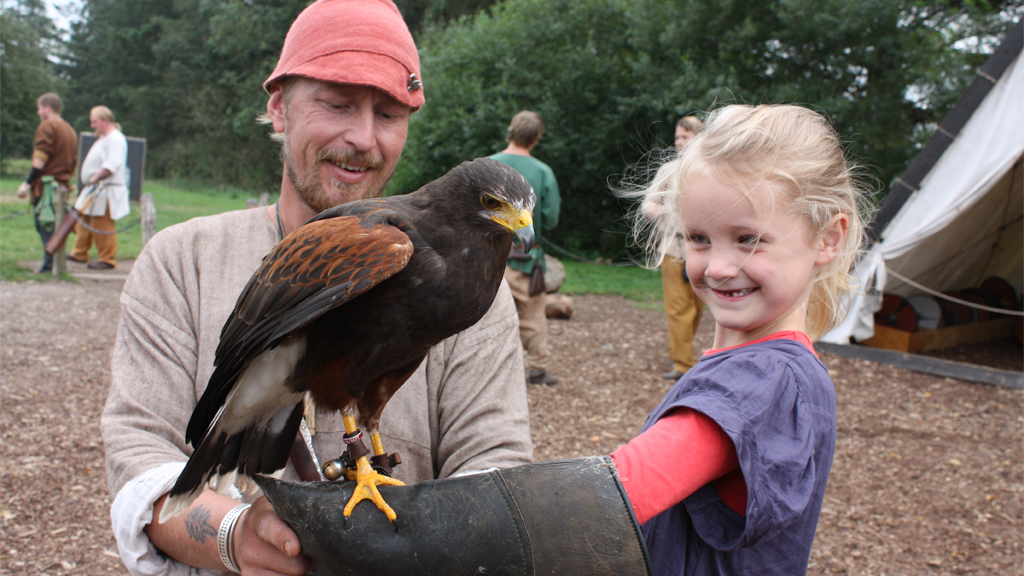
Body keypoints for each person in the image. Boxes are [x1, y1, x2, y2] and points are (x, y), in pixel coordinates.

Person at [273, 104, 869, 576]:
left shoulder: (764, 383)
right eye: (698, 238)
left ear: (828, 238)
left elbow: (605, 503)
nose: (716, 267)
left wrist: (404, 530)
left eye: (749, 240)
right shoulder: (763, 367)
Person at [100, 1, 533, 575]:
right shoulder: (182, 261)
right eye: (337, 104)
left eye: (388, 113)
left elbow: (497, 460)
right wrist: (233, 536)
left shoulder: (482, 287)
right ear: (278, 108)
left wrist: (440, 537)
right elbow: (139, 454)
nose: (362, 137)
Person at [490, 111, 562, 385]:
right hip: (528, 258)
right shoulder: (544, 172)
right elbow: (552, 218)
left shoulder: (490, 165)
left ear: (511, 130)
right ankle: (538, 370)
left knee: (488, 316)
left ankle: (486, 370)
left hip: (490, 258)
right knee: (533, 315)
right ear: (536, 139)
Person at [644, 115, 705, 380]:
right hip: (672, 248)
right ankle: (683, 365)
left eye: (686, 136)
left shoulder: (711, 169)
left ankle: (680, 351)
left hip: (703, 249)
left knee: (697, 307)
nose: (680, 142)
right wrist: (664, 210)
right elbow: (647, 205)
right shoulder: (668, 170)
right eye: (677, 137)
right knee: (679, 307)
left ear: (699, 138)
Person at [16, 93, 78, 274]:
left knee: (45, 223)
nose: (38, 112)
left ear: (47, 108)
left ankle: (50, 264)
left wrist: (26, 183)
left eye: (40, 108)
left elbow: (40, 158)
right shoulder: (69, 128)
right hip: (63, 185)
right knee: (56, 224)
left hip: (47, 187)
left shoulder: (47, 126)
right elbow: (73, 160)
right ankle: (56, 264)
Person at [67, 106, 130, 270]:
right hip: (95, 189)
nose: (92, 125)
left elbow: (113, 163)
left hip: (106, 189)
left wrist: (95, 177)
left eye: (94, 121)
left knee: (103, 225)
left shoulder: (115, 139)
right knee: (83, 222)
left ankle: (107, 258)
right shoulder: (104, 138)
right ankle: (79, 253)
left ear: (105, 121)